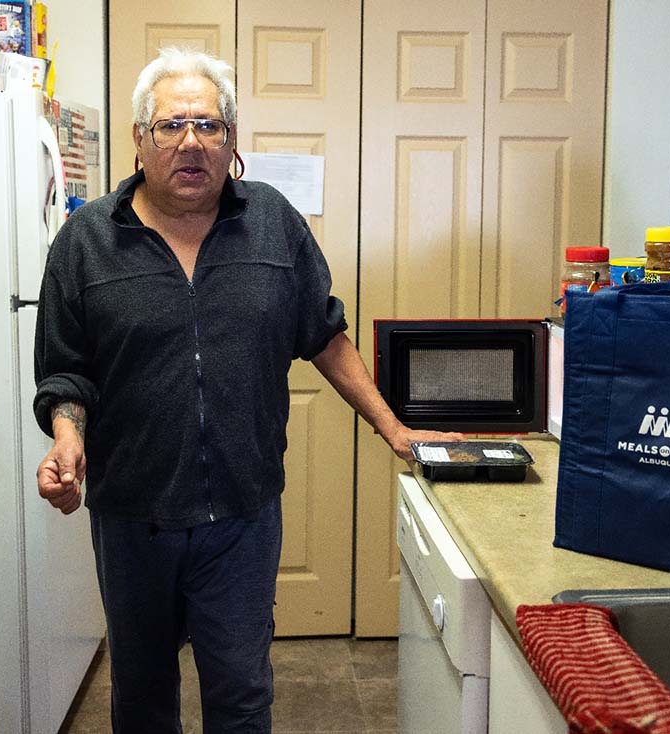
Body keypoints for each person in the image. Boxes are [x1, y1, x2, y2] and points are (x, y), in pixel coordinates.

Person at [33, 46, 461, 734]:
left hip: (242, 514)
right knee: (142, 700)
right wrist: (67, 437)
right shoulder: (85, 243)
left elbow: (324, 335)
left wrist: (395, 427)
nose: (191, 142)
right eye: (172, 126)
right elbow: (66, 370)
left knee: (240, 697)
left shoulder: (272, 222)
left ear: (232, 143)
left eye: (210, 125)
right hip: (131, 519)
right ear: (139, 140)